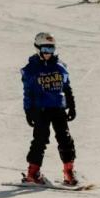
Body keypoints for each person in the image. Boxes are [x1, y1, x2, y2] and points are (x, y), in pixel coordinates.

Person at [21, 33, 78, 185]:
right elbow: (28, 92)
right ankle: (33, 172)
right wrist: (28, 110)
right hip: (40, 110)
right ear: (38, 49)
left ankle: (69, 171)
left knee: (65, 138)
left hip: (58, 108)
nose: (48, 53)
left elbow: (67, 88)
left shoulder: (60, 66)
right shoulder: (31, 69)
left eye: (51, 49)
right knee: (40, 139)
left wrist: (71, 106)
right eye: (45, 49)